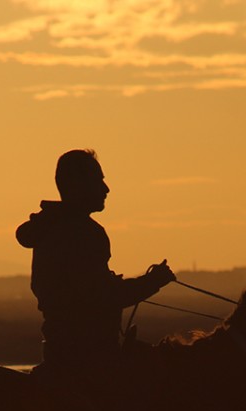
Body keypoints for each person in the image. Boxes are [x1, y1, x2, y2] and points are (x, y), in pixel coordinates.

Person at [16, 149, 175, 377]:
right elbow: (103, 296)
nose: (106, 189)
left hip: (61, 354)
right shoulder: (84, 233)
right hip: (88, 361)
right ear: (79, 185)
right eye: (98, 181)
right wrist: (153, 281)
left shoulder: (51, 228)